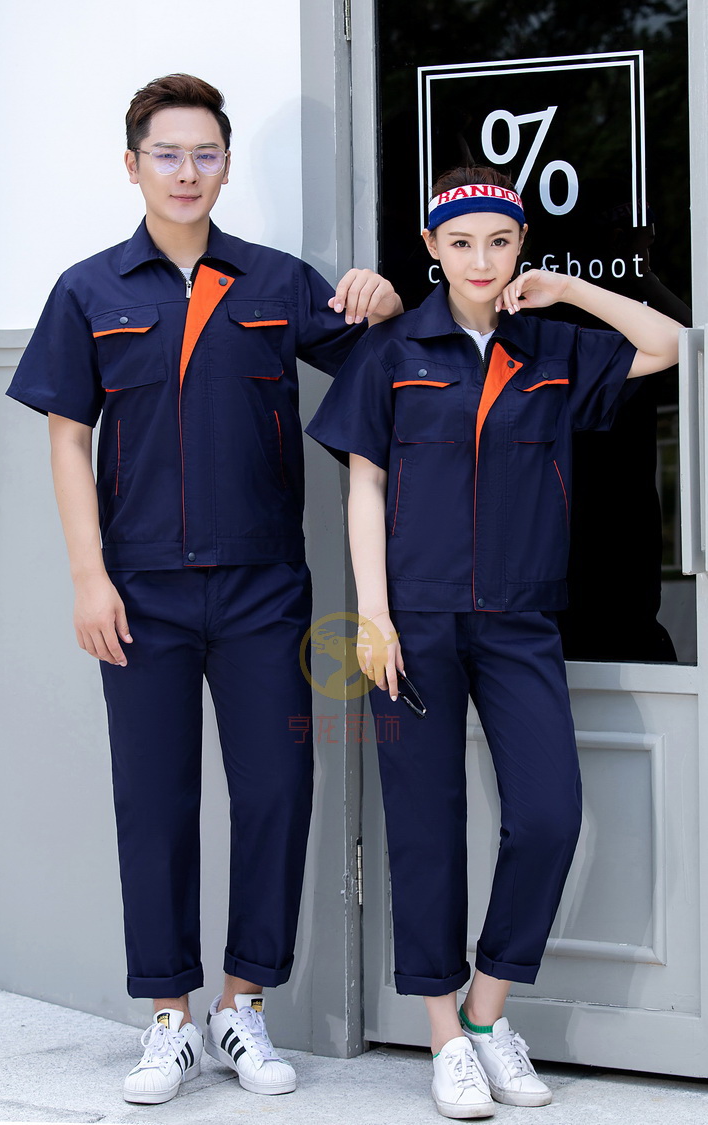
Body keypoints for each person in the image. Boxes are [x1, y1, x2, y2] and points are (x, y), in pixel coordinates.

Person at [6, 74, 401, 1106]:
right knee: (155, 802)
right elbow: (67, 438)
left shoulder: (275, 281)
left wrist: (385, 296)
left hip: (265, 589)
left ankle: (242, 1006)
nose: (187, 171)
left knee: (277, 791)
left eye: (206, 154)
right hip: (140, 593)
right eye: (168, 154)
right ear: (132, 164)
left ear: (225, 166)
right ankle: (170, 1019)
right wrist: (88, 577)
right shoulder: (88, 290)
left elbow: (383, 357)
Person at [306, 165, 680, 1119]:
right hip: (412, 623)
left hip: (521, 621)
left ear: (521, 247)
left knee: (549, 815)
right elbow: (364, 486)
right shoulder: (392, 350)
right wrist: (375, 615)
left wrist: (569, 290)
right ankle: (445, 1039)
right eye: (462, 242)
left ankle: (486, 1011)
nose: (481, 260)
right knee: (424, 827)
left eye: (501, 242)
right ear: (432, 248)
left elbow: (670, 344)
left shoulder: (552, 346)